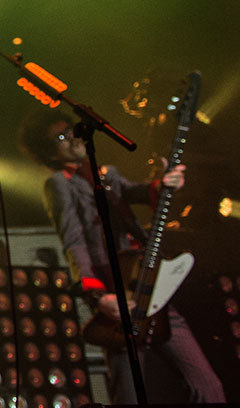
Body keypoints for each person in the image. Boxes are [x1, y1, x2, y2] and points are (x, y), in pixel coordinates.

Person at [20, 109, 225, 403]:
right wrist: (97, 295)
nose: (73, 139)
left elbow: (140, 192)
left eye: (72, 131)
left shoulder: (108, 173)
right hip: (117, 293)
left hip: (149, 282)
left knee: (208, 386)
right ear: (49, 153)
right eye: (61, 137)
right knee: (129, 394)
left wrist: (164, 184)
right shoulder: (59, 185)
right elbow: (74, 241)